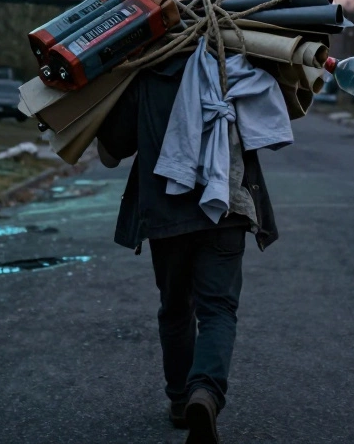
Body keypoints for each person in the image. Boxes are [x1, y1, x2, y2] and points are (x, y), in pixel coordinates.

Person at [96, 51, 278, 444]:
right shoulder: (239, 65)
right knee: (217, 309)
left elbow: (111, 153)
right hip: (226, 206)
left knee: (175, 308)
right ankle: (205, 393)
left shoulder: (144, 71)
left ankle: (181, 400)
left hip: (166, 214)